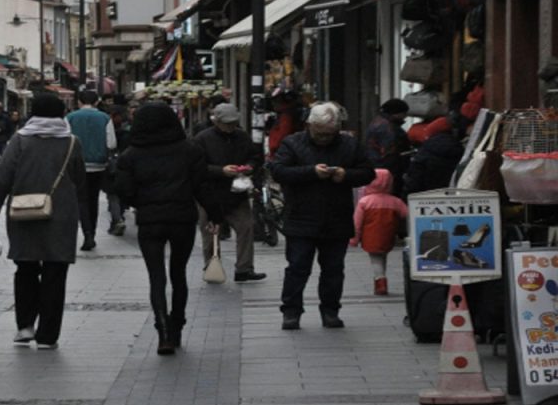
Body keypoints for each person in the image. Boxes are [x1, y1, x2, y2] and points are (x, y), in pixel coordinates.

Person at [0, 94, 86, 349]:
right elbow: (80, 182)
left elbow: (1, 179)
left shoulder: (19, 141)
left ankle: (25, 326)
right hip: (61, 216)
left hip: (23, 213)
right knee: (55, 272)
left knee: (25, 269)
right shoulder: (72, 142)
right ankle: (48, 334)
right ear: (61, 113)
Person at [113, 102, 221, 355]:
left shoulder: (131, 154)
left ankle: (162, 333)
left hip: (150, 220)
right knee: (178, 274)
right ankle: (177, 326)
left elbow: (123, 190)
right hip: (182, 218)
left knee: (156, 277)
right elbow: (202, 186)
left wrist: (139, 201)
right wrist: (215, 214)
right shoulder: (189, 150)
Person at [269, 102, 374, 330]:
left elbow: (368, 173)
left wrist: (346, 175)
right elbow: (278, 171)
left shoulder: (349, 144)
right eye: (319, 133)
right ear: (309, 126)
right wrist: (311, 172)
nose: (324, 138)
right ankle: (291, 312)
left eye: (329, 134)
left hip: (337, 218)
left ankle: (330, 311)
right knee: (297, 267)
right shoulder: (292, 143)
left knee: (334, 270)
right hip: (300, 217)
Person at [193, 103, 266, 282]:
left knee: (245, 228)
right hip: (209, 195)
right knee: (210, 234)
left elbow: (255, 157)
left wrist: (249, 167)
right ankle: (211, 267)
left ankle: (244, 268)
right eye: (226, 123)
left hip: (236, 192)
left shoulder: (242, 136)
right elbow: (196, 166)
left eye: (233, 123)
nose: (230, 126)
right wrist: (221, 170)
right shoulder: (202, 138)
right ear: (216, 121)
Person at [66, 90, 116, 251]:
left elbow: (65, 141)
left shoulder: (70, 118)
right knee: (93, 199)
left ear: (79, 101)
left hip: (76, 165)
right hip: (98, 164)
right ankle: (92, 233)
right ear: (96, 102)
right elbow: (111, 144)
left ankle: (86, 232)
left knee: (80, 199)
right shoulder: (105, 118)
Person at [350, 169, 408, 296]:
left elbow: (357, 223)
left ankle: (380, 281)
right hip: (388, 235)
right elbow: (407, 214)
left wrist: (354, 239)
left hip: (370, 236)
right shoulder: (395, 201)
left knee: (375, 258)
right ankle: (380, 279)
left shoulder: (364, 202)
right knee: (383, 256)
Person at [403, 114, 464, 197]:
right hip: (453, 195)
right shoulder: (459, 149)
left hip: (428, 197)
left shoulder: (426, 150)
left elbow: (415, 178)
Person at [365, 99, 411, 196]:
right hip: (388, 173)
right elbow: (390, 154)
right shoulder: (390, 129)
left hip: (375, 170)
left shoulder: (376, 123)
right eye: (404, 113)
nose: (405, 116)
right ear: (396, 113)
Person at [104, 105, 131, 236]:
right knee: (119, 194)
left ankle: (117, 220)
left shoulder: (109, 131)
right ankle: (119, 217)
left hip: (112, 166)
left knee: (113, 195)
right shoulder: (129, 131)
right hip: (125, 167)